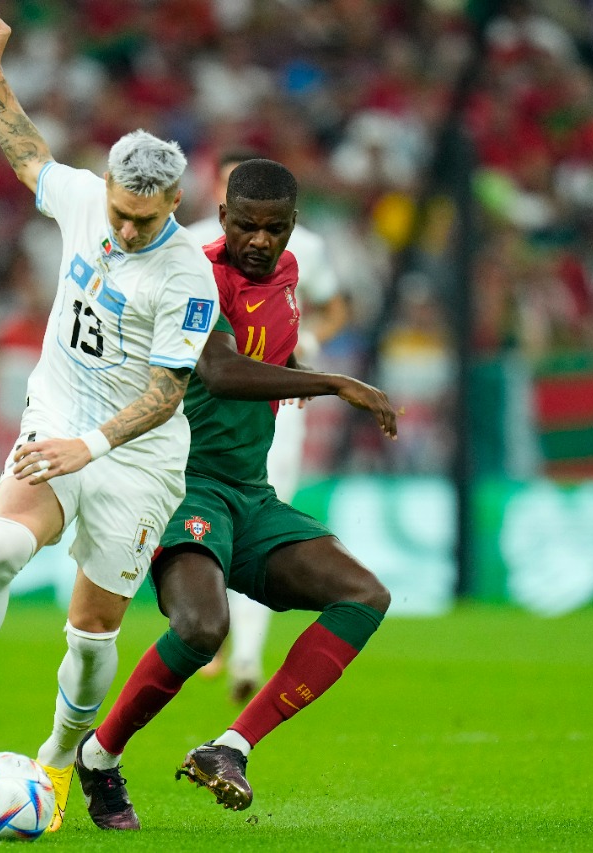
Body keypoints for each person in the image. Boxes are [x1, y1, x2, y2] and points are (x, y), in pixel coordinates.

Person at [0, 11, 220, 835]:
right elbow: (28, 155)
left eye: (144, 218)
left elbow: (166, 393)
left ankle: (57, 759)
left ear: (174, 201)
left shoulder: (186, 277)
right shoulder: (87, 199)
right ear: (110, 186)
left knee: (91, 633)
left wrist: (85, 449)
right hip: (56, 414)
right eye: (120, 211)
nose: (125, 228)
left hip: (136, 459)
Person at [71, 159, 396, 830]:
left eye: (274, 229)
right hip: (182, 484)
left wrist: (294, 363)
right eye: (246, 225)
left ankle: (230, 747)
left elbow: (267, 346)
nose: (259, 240)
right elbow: (219, 371)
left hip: (250, 492)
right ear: (223, 218)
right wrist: (335, 382)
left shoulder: (290, 275)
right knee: (201, 627)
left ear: (292, 227)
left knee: (364, 596)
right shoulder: (195, 275)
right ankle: (99, 757)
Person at [185, 149, 350, 702]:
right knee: (216, 522)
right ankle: (211, 629)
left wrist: (306, 346)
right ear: (221, 199)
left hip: (276, 405)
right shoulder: (193, 248)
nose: (260, 234)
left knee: (258, 517)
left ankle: (245, 656)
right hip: (205, 416)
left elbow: (333, 306)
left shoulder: (304, 251)